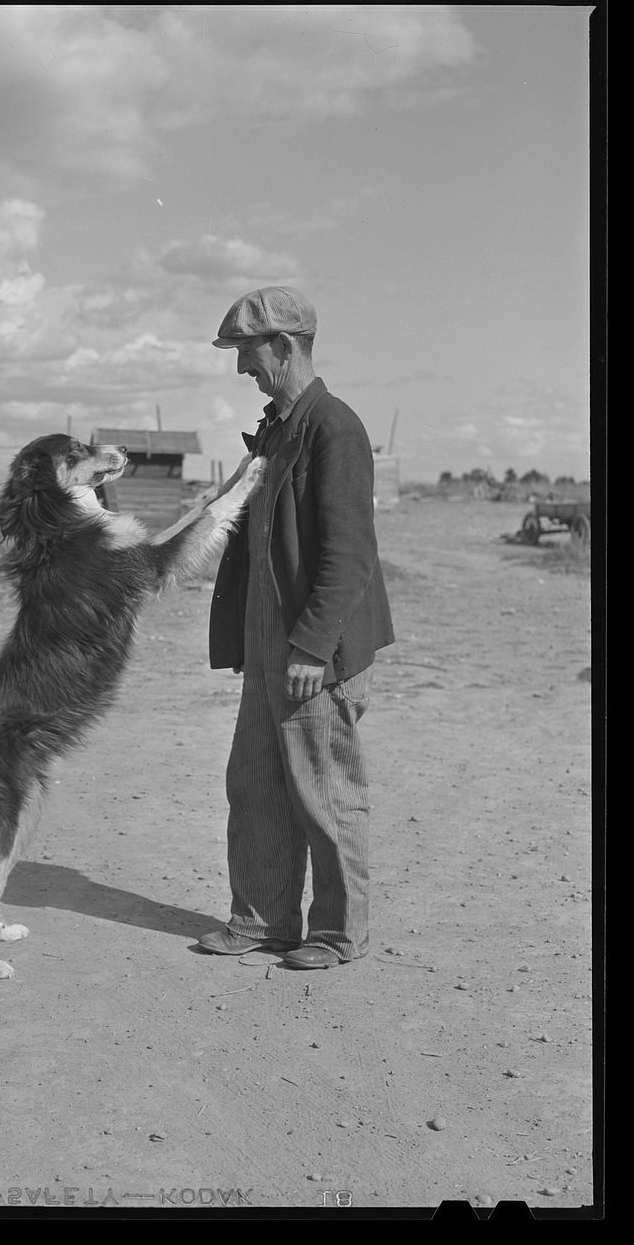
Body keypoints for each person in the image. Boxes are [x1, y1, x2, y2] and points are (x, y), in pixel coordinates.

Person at [198, 286, 395, 970]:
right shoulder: (279, 428)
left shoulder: (332, 427)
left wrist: (312, 644)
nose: (241, 369)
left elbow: (349, 553)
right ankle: (263, 919)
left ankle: (339, 933)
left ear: (284, 347)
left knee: (324, 792)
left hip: (313, 650)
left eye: (248, 354)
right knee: (254, 782)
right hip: (267, 647)